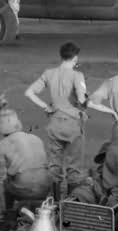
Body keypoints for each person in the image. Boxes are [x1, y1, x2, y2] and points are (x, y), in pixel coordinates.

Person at [24, 41, 88, 199]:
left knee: (54, 166)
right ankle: (72, 204)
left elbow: (29, 92)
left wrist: (46, 106)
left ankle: (55, 203)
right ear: (75, 57)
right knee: (74, 167)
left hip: (54, 122)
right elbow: (81, 99)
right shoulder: (77, 75)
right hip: (72, 124)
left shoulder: (49, 73)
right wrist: (86, 99)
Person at [0, 108, 53, 224]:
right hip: (45, 189)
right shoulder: (36, 138)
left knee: (6, 182)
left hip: (23, 190)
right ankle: (42, 207)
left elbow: (8, 172)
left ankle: (9, 213)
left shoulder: (2, 144)